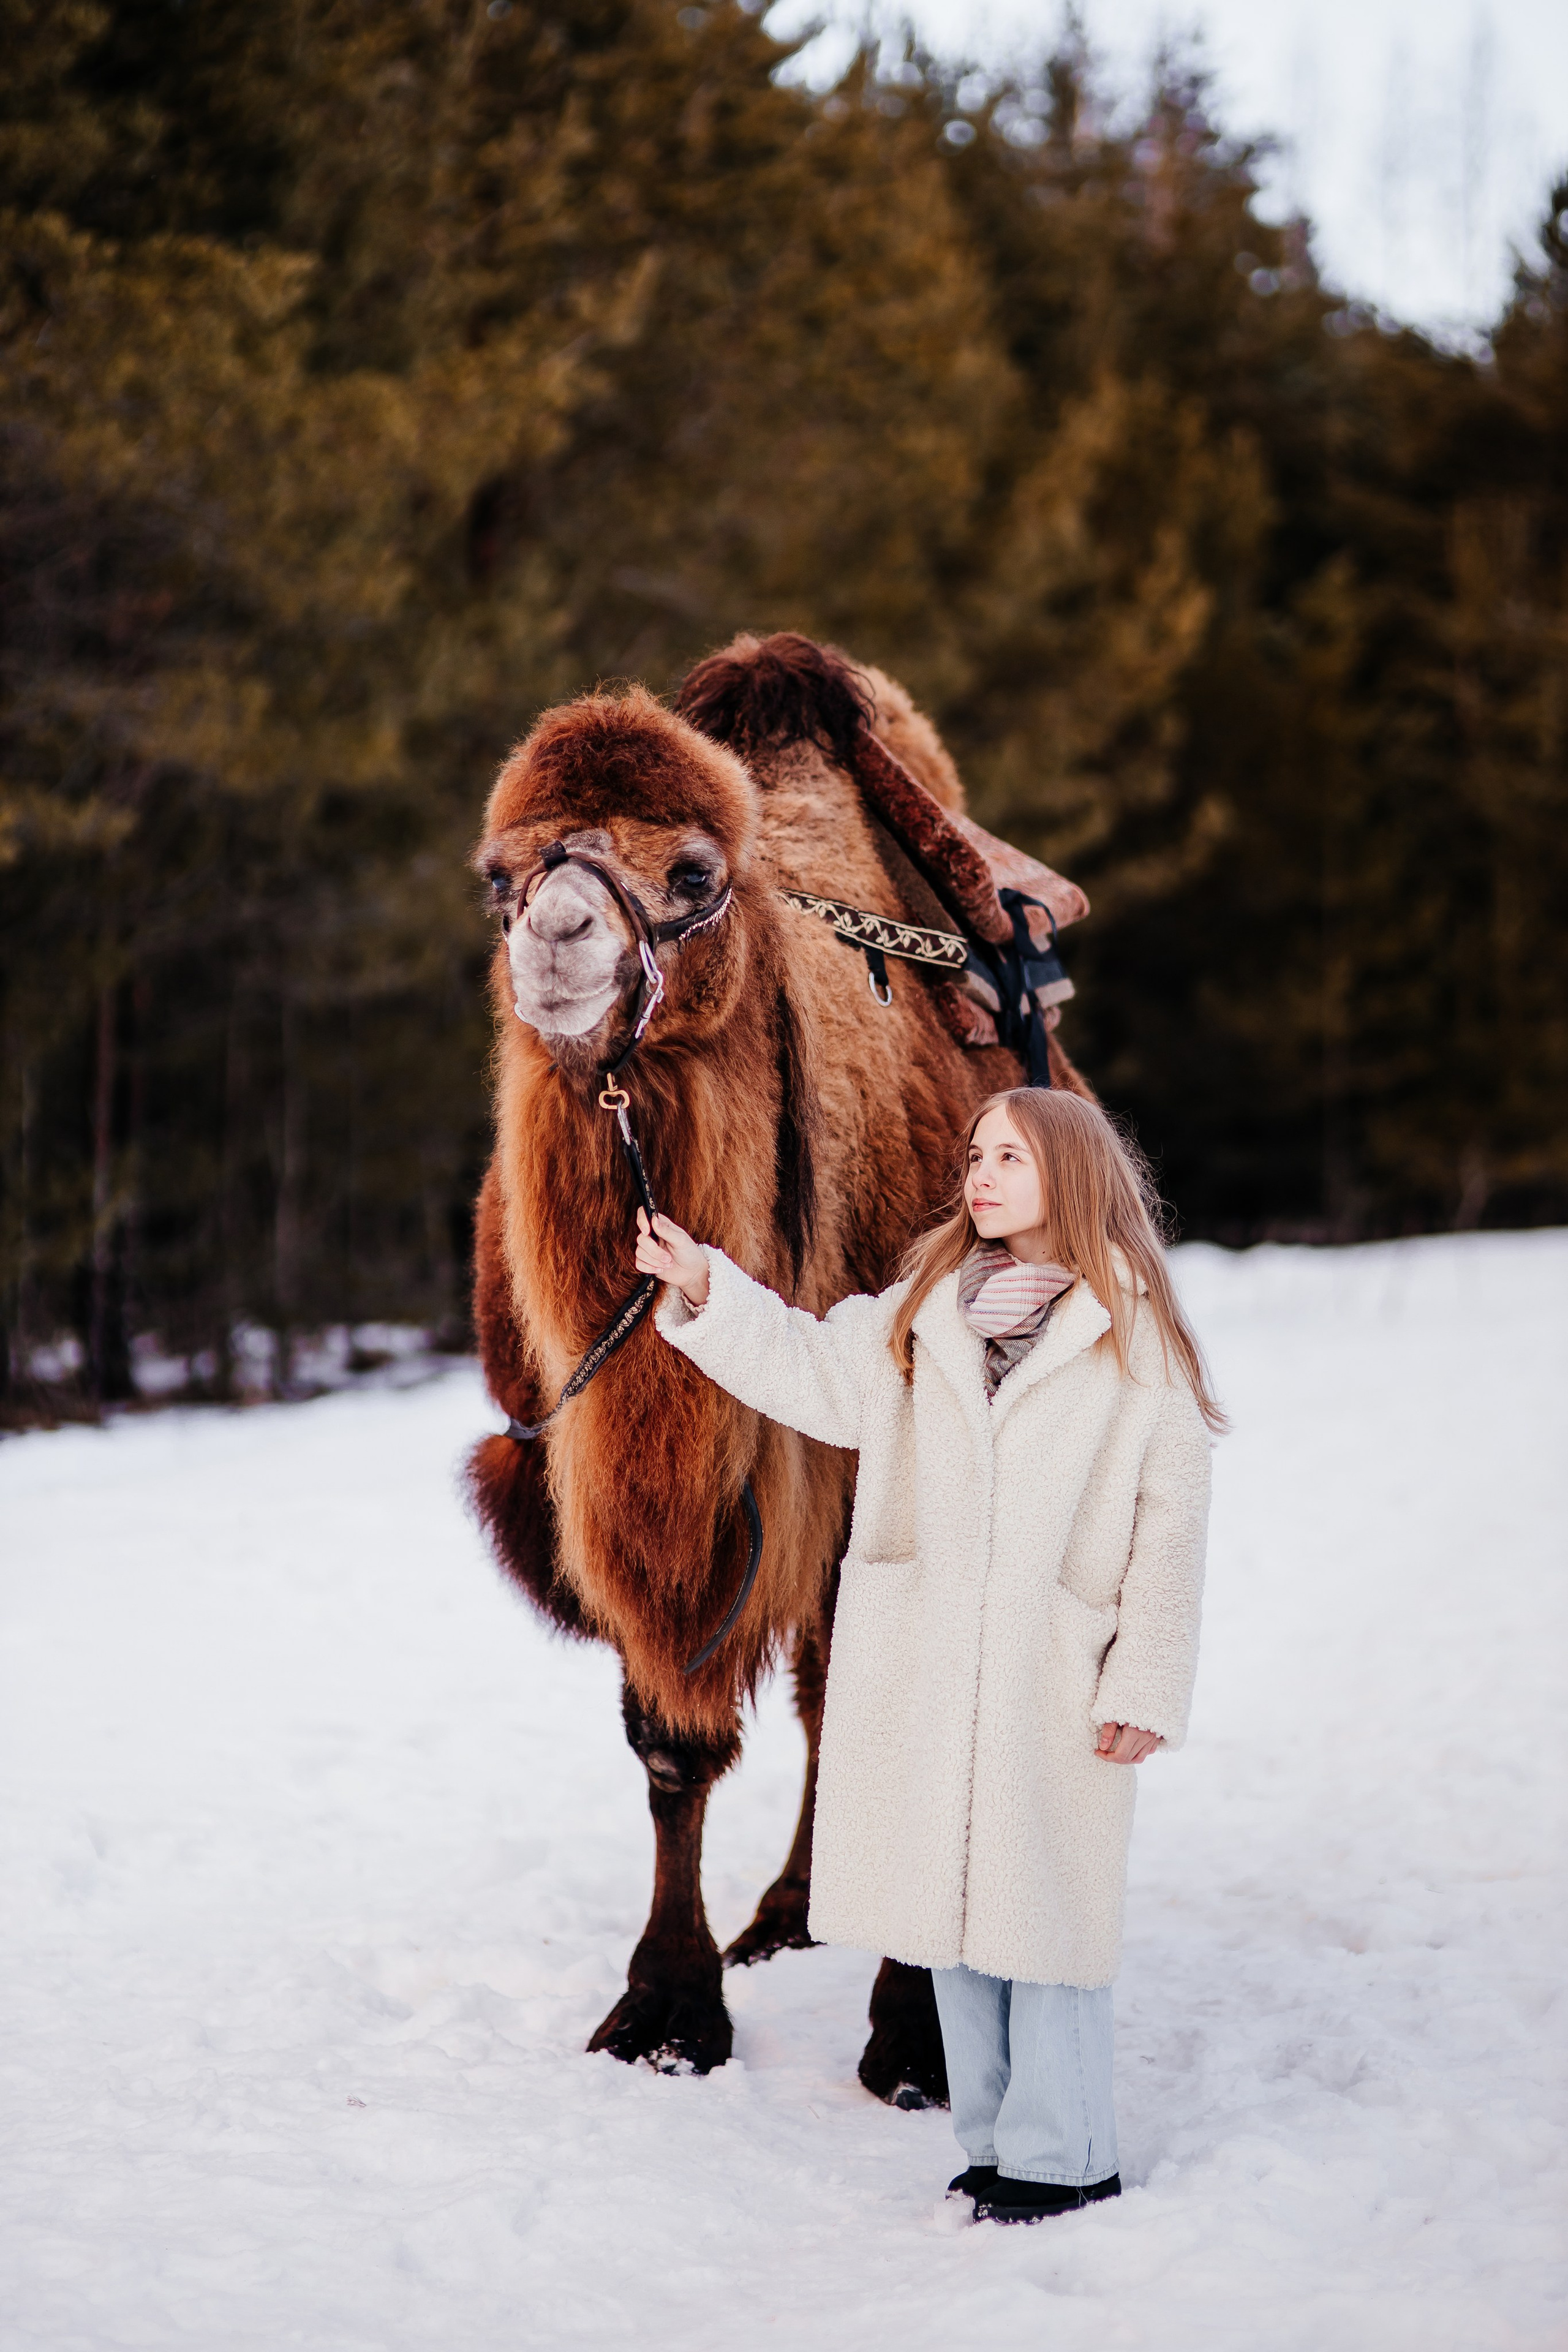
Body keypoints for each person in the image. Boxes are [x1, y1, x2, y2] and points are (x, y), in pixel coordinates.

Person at [633, 1086, 1223, 2225]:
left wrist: (1146, 1677)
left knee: (1046, 1917)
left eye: (1010, 1155)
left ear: (1075, 1173)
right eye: (975, 1153)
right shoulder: (923, 1313)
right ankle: (994, 2141)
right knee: (951, 1918)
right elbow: (810, 1368)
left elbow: (1172, 1521)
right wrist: (706, 1283)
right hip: (932, 1659)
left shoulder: (1135, 1334)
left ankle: (1066, 2157)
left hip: (1059, 1674)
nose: (981, 1173)